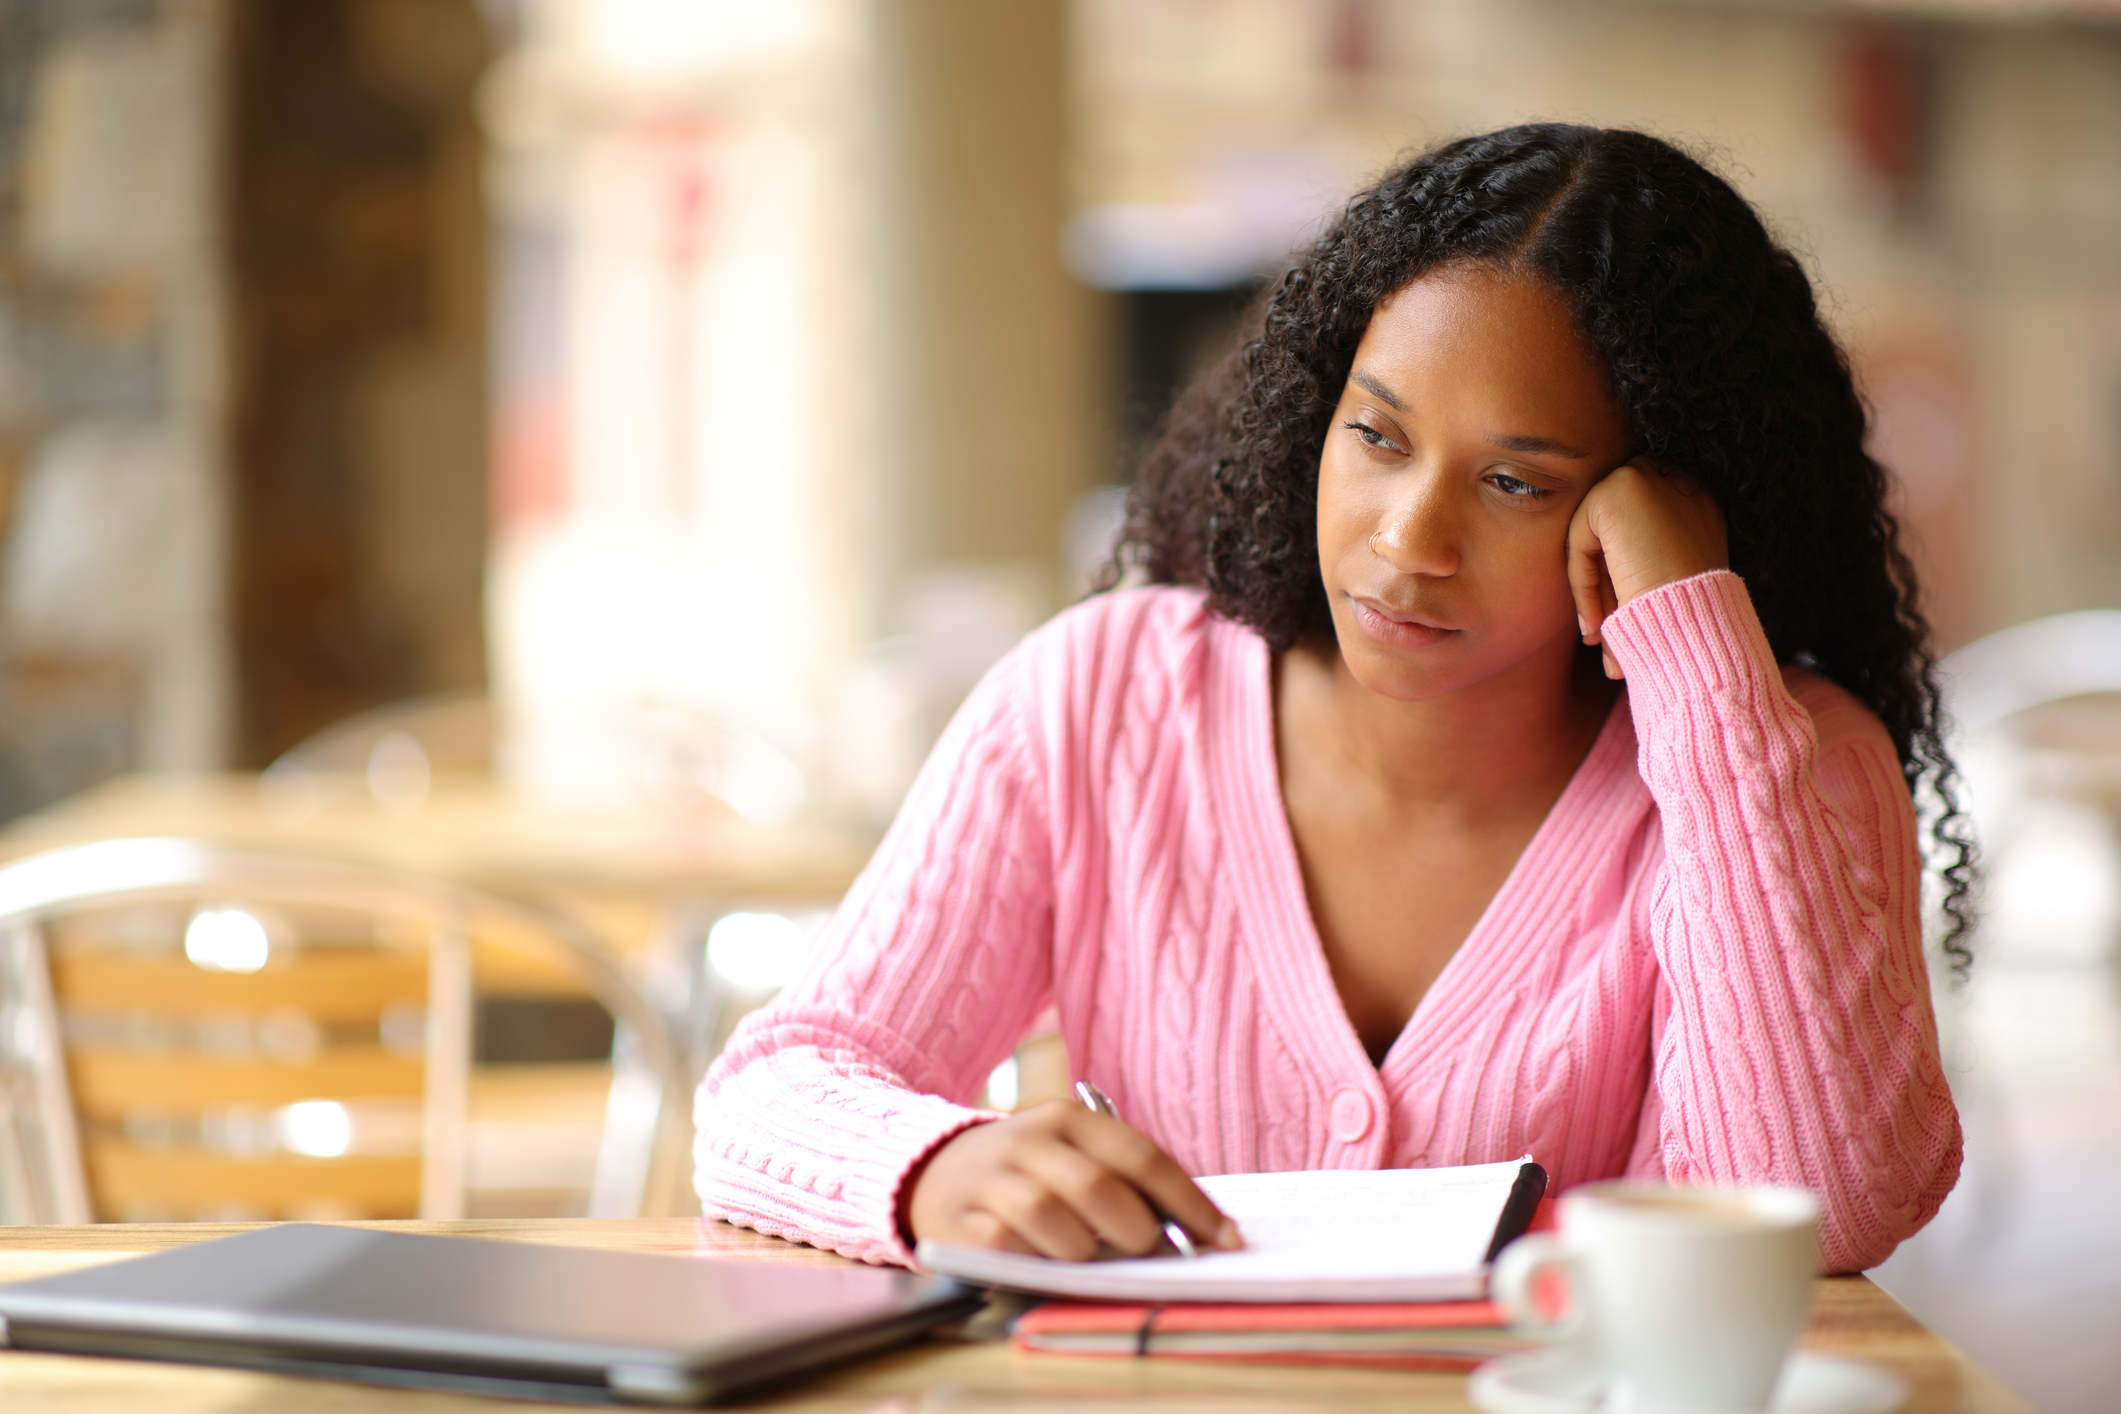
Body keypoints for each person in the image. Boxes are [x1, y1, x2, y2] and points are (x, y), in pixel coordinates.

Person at [693, 124, 1967, 1275]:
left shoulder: (1784, 762)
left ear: (1650, 511)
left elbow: (1822, 1210)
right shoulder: (1100, 699)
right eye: (1378, 436)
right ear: (1316, 411)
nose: (1410, 539)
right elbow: (773, 1089)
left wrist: (1696, 644)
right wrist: (934, 1170)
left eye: (1518, 483)